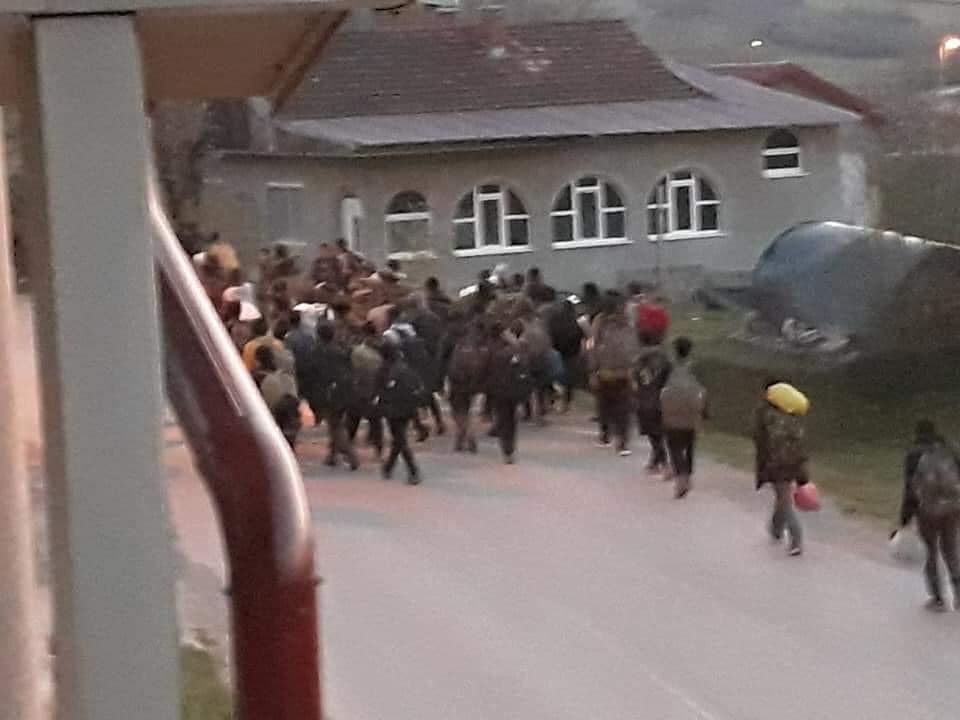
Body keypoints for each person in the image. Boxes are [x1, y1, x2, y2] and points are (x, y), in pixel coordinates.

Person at [897, 420, 960, 611]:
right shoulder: (950, 449)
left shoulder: (914, 455)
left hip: (927, 510)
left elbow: (910, 488)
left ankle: (938, 599)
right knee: (951, 550)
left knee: (930, 551)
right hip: (953, 507)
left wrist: (905, 516)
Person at [754, 380, 807, 556]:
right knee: (782, 497)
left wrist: (763, 466)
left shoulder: (766, 415)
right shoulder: (792, 416)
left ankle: (796, 538)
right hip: (794, 462)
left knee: (784, 500)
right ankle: (776, 528)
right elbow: (800, 444)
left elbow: (759, 439)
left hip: (776, 463)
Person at [303, 321, 359, 470]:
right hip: (343, 390)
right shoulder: (340, 351)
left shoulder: (317, 352)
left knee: (335, 425)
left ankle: (351, 455)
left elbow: (312, 374)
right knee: (335, 422)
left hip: (327, 392)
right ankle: (332, 455)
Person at [590, 293, 639, 456]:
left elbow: (633, 349)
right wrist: (593, 369)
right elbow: (593, 346)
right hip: (609, 370)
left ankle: (619, 440)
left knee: (620, 407)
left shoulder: (626, 325)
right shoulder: (604, 323)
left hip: (620, 371)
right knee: (608, 404)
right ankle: (608, 434)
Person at [661, 337, 707, 499]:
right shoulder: (696, 369)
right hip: (691, 413)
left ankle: (680, 475)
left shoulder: (669, 368)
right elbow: (703, 391)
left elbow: (660, 388)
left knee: (674, 446)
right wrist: (704, 412)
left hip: (672, 412)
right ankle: (687, 475)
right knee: (689, 445)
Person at [375, 342, 422, 484]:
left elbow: (379, 390)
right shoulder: (405, 367)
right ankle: (388, 467)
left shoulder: (384, 369)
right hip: (408, 407)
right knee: (398, 439)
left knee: (400, 440)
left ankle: (413, 471)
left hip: (393, 409)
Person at [486, 322, 530, 464]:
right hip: (512, 387)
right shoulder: (514, 348)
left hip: (496, 388)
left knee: (502, 417)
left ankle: (506, 449)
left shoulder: (489, 347)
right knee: (510, 418)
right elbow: (525, 360)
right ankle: (509, 449)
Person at [447, 318, 489, 453]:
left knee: (458, 409)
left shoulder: (459, 344)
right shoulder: (482, 344)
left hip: (458, 382)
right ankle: (470, 433)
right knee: (471, 410)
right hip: (476, 382)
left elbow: (448, 362)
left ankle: (461, 434)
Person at [634, 330, 672, 473]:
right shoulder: (666, 360)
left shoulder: (640, 360)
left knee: (653, 434)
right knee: (658, 433)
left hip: (646, 400)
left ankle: (664, 463)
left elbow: (639, 380)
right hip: (663, 399)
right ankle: (655, 462)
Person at [348, 322, 385, 459]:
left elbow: (354, 369)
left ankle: (347, 448)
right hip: (375, 388)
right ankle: (378, 448)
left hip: (361, 388)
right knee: (374, 421)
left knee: (354, 419)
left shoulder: (358, 351)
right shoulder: (382, 346)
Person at [253, 345, 301, 450]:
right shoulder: (287, 378)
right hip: (289, 418)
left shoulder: (257, 378)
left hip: (271, 419)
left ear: (258, 361)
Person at [546, 297, 585, 413]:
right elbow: (582, 335)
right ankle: (566, 402)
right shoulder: (577, 320)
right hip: (572, 353)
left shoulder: (554, 319)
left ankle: (552, 400)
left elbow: (549, 333)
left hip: (557, 351)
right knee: (569, 380)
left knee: (553, 376)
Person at [283, 310, 315, 391]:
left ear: (289, 322)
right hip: (310, 369)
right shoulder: (309, 336)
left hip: (298, 371)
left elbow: (289, 357)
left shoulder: (289, 338)